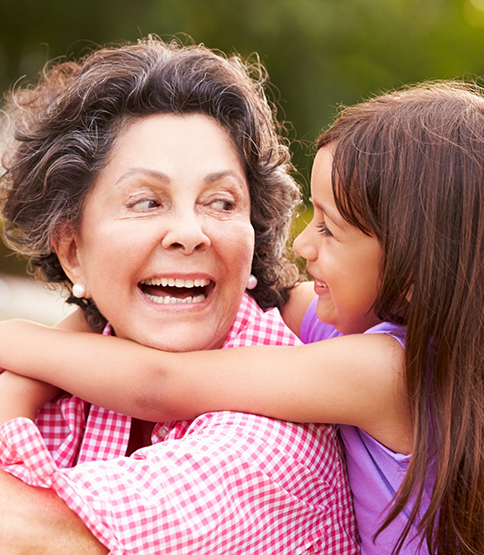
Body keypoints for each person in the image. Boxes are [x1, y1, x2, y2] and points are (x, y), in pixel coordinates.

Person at [3, 80, 484, 555]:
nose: (301, 245)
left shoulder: (384, 369)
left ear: (414, 270)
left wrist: (15, 341)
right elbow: (256, 293)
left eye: (330, 229)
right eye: (147, 202)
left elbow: (159, 384)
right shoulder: (343, 327)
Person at [0, 37, 360, 554]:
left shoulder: (278, 433)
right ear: (72, 251)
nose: (190, 232)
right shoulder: (67, 375)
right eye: (147, 201)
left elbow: (34, 537)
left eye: (220, 202)